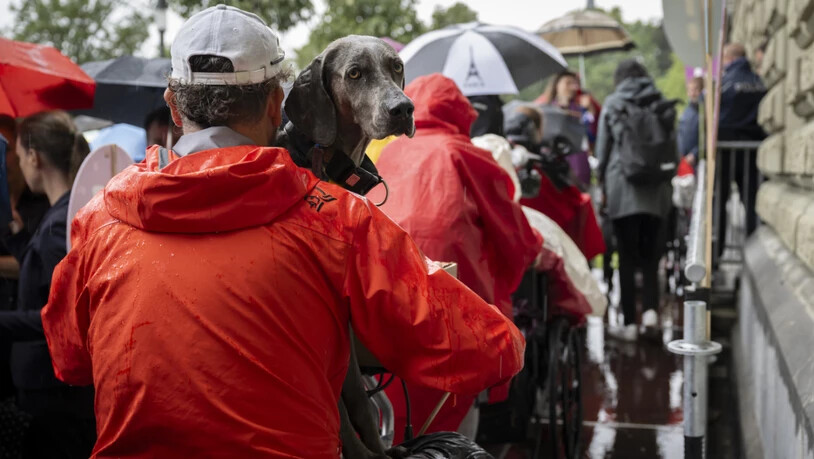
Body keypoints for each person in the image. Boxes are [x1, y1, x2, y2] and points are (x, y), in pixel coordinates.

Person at [41, 6, 525, 457]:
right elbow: (486, 349)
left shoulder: (99, 219)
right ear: (277, 105)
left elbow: (69, 360)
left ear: (171, 105)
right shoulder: (338, 220)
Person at [373, 74, 542, 440]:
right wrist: (532, 247)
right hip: (454, 293)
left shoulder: (390, 152)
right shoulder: (466, 154)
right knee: (458, 389)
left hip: (391, 286)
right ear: (461, 111)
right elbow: (511, 230)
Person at [0, 111, 95, 457]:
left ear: (35, 157)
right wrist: (19, 235)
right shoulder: (68, 213)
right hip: (56, 391)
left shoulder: (59, 224)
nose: (20, 165)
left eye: (21, 155)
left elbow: (61, 315)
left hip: (52, 393)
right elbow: (48, 280)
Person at [596, 59, 674, 341]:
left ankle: (629, 323)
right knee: (651, 257)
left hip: (622, 190)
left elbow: (602, 151)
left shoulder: (614, 103)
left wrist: (601, 182)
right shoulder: (659, 100)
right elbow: (671, 149)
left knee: (626, 258)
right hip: (656, 192)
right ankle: (651, 313)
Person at [718, 42, 766, 240]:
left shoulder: (726, 83)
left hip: (727, 152)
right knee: (753, 200)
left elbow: (718, 119)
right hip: (754, 151)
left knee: (719, 202)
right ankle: (754, 242)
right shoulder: (759, 81)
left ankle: (717, 249)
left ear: (728, 58)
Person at [538, 71, 596, 189]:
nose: (573, 87)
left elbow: (590, 135)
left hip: (580, 167)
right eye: (568, 83)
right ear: (557, 85)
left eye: (575, 83)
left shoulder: (581, 108)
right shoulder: (546, 110)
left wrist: (590, 111)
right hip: (557, 169)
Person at [677, 76, 704, 168]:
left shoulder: (705, 112)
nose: (693, 93)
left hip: (699, 161)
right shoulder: (685, 112)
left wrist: (694, 154)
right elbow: (680, 134)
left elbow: (707, 137)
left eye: (696, 89)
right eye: (690, 90)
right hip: (684, 161)